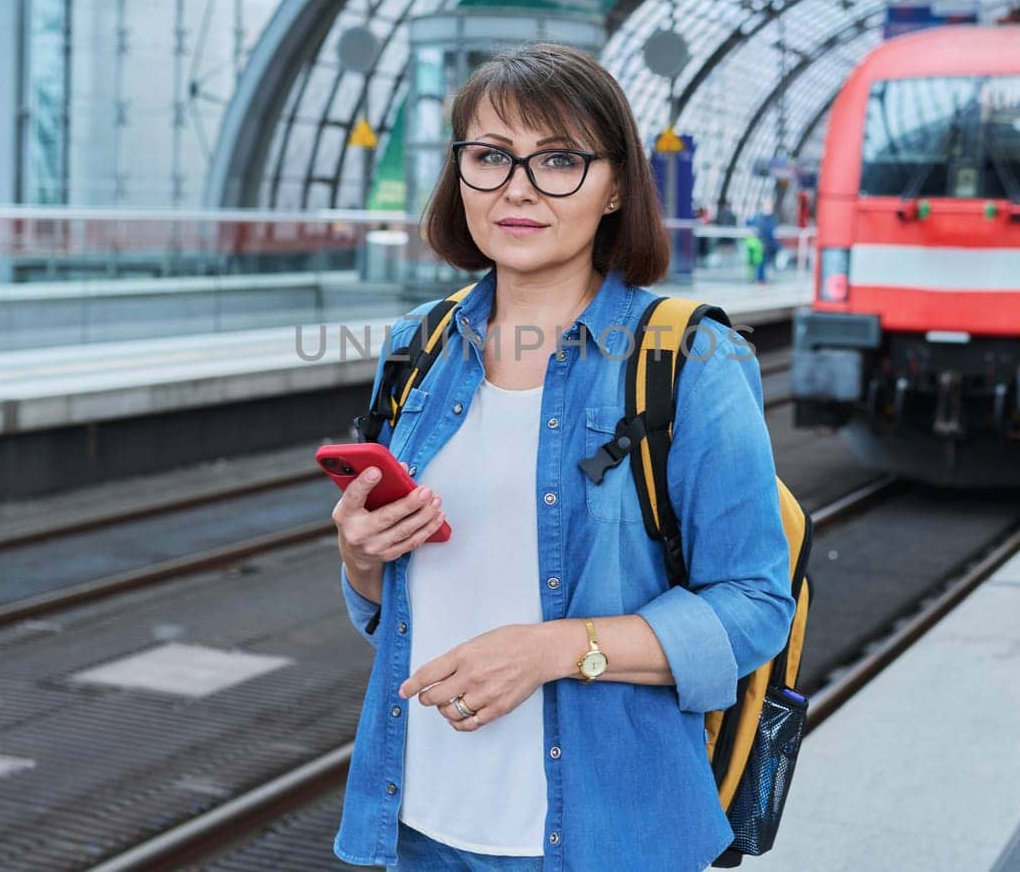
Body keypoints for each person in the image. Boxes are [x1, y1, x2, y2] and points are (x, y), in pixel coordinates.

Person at [330, 43, 794, 871]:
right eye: (489, 157)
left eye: (558, 160)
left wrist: (555, 648)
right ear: (459, 172)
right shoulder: (417, 348)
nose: (517, 186)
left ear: (616, 185)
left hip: (606, 834)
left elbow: (756, 604)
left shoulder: (691, 358)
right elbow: (388, 603)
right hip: (420, 823)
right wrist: (361, 558)